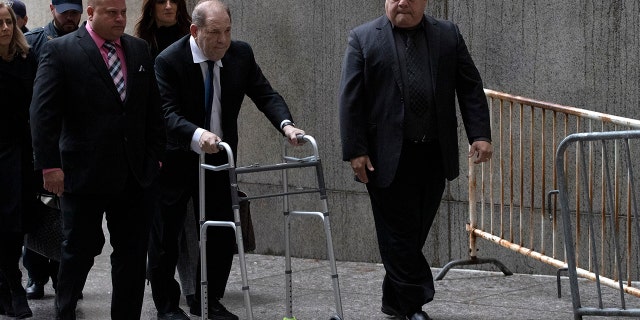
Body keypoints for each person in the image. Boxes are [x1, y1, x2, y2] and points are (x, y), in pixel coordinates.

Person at [149, 0, 305, 319]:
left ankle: (208, 299)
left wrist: (286, 125)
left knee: (222, 231)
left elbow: (265, 94)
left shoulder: (240, 54)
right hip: (178, 155)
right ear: (195, 31)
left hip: (220, 156)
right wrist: (197, 134)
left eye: (228, 32)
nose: (222, 40)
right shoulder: (170, 61)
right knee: (167, 231)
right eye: (214, 33)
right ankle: (166, 303)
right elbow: (166, 114)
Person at [339, 0, 493, 319]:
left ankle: (393, 301)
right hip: (383, 157)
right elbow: (350, 98)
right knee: (396, 233)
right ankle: (414, 304)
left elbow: (469, 86)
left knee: (413, 232)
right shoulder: (363, 38)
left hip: (433, 153)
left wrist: (480, 134)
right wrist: (355, 150)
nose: (402, 3)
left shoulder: (447, 35)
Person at [29, 0, 166, 318]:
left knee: (132, 255)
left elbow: (153, 110)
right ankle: (65, 311)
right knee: (78, 251)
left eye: (123, 13)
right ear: (90, 13)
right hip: (82, 173)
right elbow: (42, 113)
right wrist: (50, 166)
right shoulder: (61, 51)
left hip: (134, 174)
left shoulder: (138, 49)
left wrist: (155, 159)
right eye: (111, 13)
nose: (120, 19)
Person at [134, 0, 199, 310]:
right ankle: (166, 289)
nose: (170, 6)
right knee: (163, 228)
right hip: (160, 147)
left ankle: (193, 290)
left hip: (192, 141)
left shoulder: (191, 37)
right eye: (162, 0)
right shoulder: (142, 44)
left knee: (190, 226)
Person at [21, 0, 83, 301]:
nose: (70, 17)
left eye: (75, 11)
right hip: (42, 143)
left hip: (76, 145)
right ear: (51, 9)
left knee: (71, 220)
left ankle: (65, 279)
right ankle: (36, 275)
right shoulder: (34, 43)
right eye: (65, 11)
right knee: (38, 213)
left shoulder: (88, 44)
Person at [0, 2, 37, 318]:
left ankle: (11, 282)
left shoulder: (27, 59)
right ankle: (11, 284)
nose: (5, 29)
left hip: (18, 151)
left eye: (8, 22)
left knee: (15, 223)